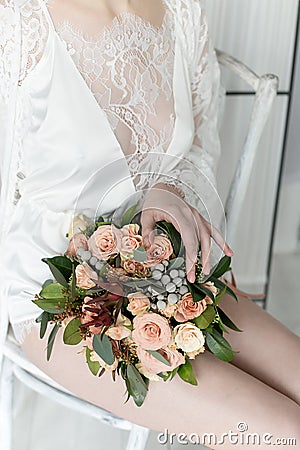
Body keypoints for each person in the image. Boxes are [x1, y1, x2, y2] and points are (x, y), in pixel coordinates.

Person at [0, 0, 299, 448]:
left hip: (168, 267)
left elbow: (200, 146)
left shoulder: (180, 9)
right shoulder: (20, 21)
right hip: (55, 293)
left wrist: (169, 190)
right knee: (287, 431)